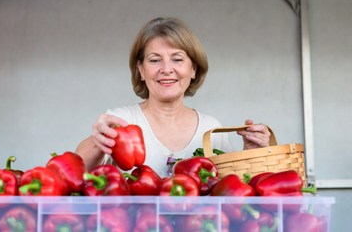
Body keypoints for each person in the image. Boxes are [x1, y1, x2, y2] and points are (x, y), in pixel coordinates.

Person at [75, 17, 271, 177]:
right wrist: (97, 141)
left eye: (177, 59)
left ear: (193, 68)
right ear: (141, 70)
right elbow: (76, 173)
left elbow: (230, 190)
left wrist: (251, 154)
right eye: (155, 60)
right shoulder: (121, 121)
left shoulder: (211, 128)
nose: (166, 69)